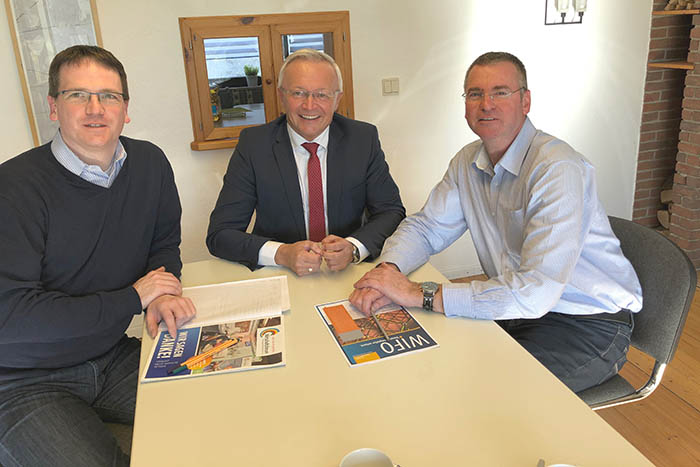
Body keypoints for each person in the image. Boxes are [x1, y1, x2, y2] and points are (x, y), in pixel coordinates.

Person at [350, 52, 643, 393]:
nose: (486, 104)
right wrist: (388, 272)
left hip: (586, 323)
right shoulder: (466, 162)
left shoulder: (557, 168)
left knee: (479, 394)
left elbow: (536, 292)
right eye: (475, 94)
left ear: (525, 101)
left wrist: (418, 293)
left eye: (500, 92)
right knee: (432, 366)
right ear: (465, 105)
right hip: (517, 308)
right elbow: (427, 228)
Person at [0, 45, 196, 466]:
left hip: (111, 354)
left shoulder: (150, 163)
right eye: (77, 95)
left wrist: (161, 292)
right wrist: (132, 298)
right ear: (54, 106)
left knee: (223, 407)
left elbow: (162, 244)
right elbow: (11, 315)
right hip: (23, 379)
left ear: (126, 109)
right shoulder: (12, 187)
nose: (96, 108)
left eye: (110, 96)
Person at [207, 49, 405, 275]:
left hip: (347, 272)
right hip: (280, 273)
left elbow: (391, 212)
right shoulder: (254, 145)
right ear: (282, 96)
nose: (309, 106)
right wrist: (282, 253)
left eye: (322, 94)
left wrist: (353, 247)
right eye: (298, 93)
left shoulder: (362, 139)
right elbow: (220, 234)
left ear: (337, 99)